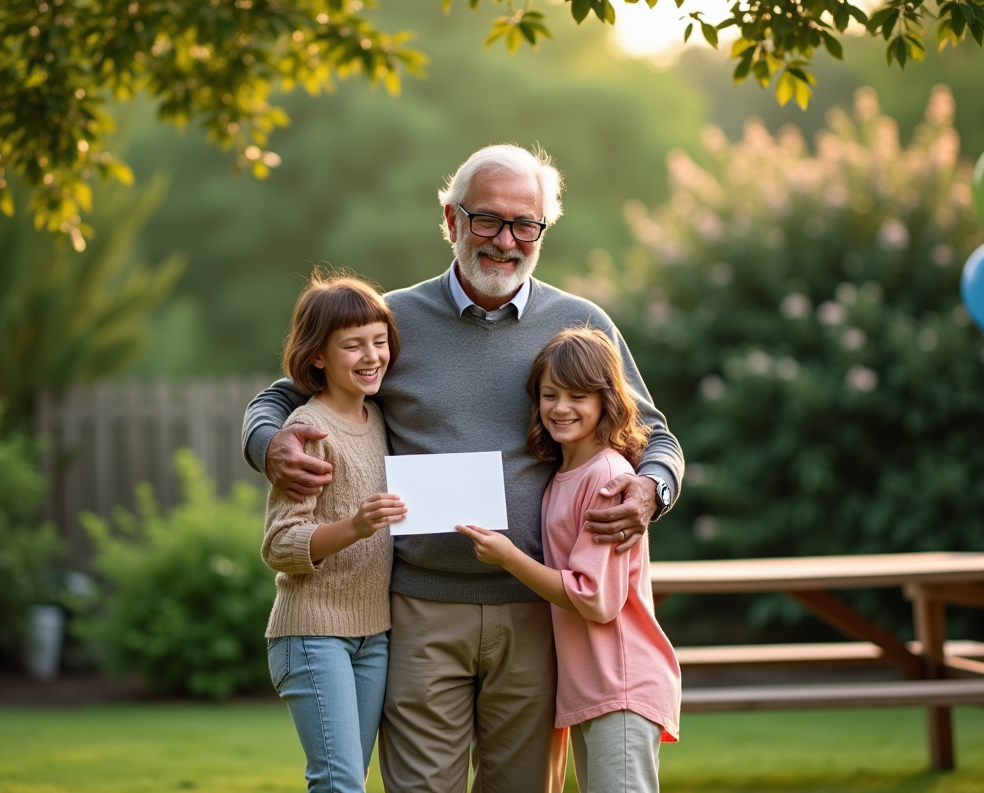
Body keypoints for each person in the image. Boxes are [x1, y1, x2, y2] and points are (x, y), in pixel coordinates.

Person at [242, 144, 684, 793]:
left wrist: (653, 488)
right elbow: (282, 393)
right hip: (420, 605)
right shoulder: (392, 319)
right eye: (488, 220)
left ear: (542, 232)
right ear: (450, 218)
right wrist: (267, 441)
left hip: (536, 609)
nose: (506, 241)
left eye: (525, 225)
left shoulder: (581, 324)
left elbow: (655, 434)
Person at [457, 326, 681, 793]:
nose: (561, 408)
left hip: (620, 683)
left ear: (606, 402)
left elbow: (594, 598)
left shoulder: (608, 478)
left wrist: (509, 557)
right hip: (590, 686)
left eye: (578, 396)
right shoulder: (564, 474)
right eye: (550, 395)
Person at [260, 272, 407, 793]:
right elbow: (280, 544)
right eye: (352, 345)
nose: (371, 355)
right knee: (338, 782)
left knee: (349, 781)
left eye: (379, 340)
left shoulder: (381, 420)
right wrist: (356, 526)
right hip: (313, 633)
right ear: (317, 356)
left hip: (374, 633)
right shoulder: (309, 430)